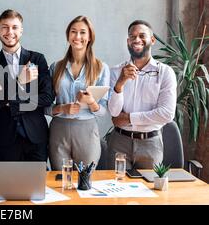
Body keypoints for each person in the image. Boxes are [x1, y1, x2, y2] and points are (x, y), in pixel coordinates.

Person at [0, 9, 54, 161]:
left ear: (21, 30)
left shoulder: (37, 59)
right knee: (7, 185)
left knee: (36, 184)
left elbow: (47, 97)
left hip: (36, 137)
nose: (10, 32)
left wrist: (9, 98)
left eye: (14, 27)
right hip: (6, 139)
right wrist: (20, 82)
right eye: (5, 27)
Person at [107, 20, 177, 169]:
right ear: (128, 41)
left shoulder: (165, 72)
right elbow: (113, 112)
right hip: (119, 141)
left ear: (152, 40)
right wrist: (120, 83)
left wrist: (129, 118)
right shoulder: (116, 71)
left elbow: (167, 114)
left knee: (148, 190)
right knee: (116, 189)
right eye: (132, 37)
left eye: (141, 35)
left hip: (151, 143)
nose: (137, 40)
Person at [46, 15, 110, 170]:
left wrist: (91, 102)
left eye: (83, 32)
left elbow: (103, 112)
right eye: (73, 32)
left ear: (89, 37)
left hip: (87, 131)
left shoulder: (101, 68)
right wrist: (62, 108)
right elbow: (44, 106)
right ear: (68, 36)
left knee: (85, 181)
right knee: (60, 181)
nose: (78, 36)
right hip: (58, 131)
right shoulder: (56, 67)